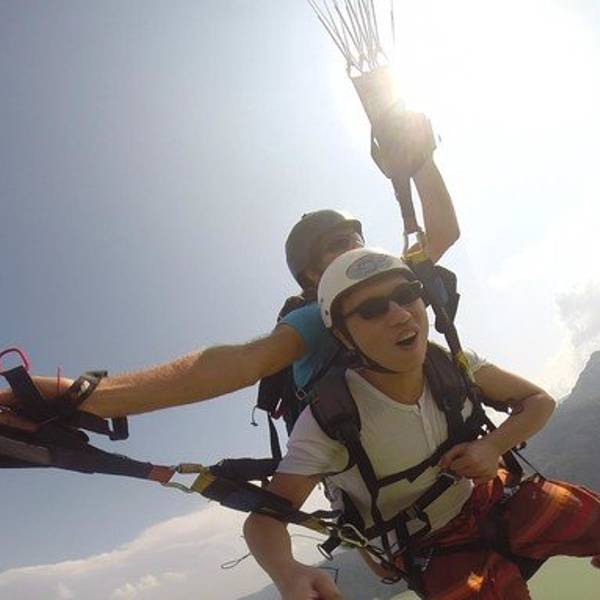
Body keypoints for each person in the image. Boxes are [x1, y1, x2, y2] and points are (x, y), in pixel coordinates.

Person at [0, 111, 459, 426]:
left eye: (356, 239)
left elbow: (442, 234)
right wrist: (90, 395)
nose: (356, 249)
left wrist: (420, 160)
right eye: (339, 246)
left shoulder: (387, 286)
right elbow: (240, 362)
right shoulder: (315, 319)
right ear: (312, 277)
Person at [243, 247, 600, 600]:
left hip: (491, 497)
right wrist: (288, 573)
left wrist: (492, 446)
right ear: (343, 336)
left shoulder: (449, 363)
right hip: (428, 547)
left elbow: (538, 401)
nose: (400, 315)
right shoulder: (331, 418)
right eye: (371, 310)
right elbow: (265, 519)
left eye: (406, 294)